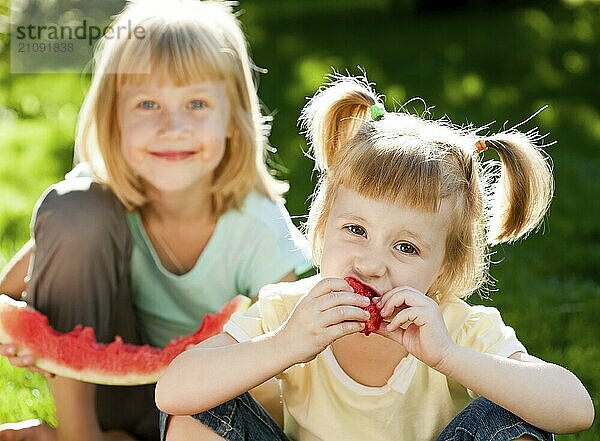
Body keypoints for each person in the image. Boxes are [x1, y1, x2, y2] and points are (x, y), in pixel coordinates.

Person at [154, 74, 595, 441]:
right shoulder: (290, 312)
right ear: (322, 228)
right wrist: (285, 345)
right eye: (355, 230)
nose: (371, 263)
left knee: (516, 420)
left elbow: (575, 409)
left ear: (444, 265)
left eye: (406, 247)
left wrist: (448, 356)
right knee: (200, 410)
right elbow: (172, 391)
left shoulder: (457, 329)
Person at [0, 1, 312, 440]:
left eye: (197, 103)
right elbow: (14, 288)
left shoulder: (256, 226)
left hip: (202, 403)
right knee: (75, 210)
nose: (173, 126)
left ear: (232, 120)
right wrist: (20, 328)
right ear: (114, 120)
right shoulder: (92, 201)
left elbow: (291, 356)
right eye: (148, 103)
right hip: (99, 394)